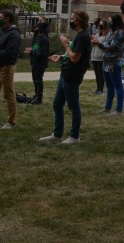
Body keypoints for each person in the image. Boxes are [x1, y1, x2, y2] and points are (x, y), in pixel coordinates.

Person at [39, 10, 92, 144]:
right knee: (57, 104)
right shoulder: (79, 35)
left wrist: (66, 44)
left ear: (79, 20)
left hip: (72, 75)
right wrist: (61, 56)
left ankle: (74, 136)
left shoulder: (83, 37)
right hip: (65, 73)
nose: (71, 20)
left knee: (73, 106)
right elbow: (72, 55)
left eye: (73, 18)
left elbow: (75, 58)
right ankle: (57, 134)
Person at [0, 9, 21, 129]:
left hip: (6, 68)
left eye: (0, 17)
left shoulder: (14, 34)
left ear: (7, 19)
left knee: (9, 95)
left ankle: (11, 122)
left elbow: (9, 53)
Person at [93, 13, 124, 116]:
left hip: (114, 63)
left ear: (115, 21)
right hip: (107, 63)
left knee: (118, 86)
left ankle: (118, 110)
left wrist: (98, 43)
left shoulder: (119, 33)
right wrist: (98, 42)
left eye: (110, 20)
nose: (109, 22)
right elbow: (107, 44)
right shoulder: (113, 33)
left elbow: (111, 47)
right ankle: (107, 107)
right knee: (109, 87)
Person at [26, 16, 50, 104]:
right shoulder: (36, 38)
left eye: (37, 27)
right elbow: (35, 49)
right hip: (34, 62)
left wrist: (33, 51)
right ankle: (36, 95)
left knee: (38, 80)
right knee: (35, 79)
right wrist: (31, 51)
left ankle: (39, 97)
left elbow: (43, 53)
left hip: (40, 63)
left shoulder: (44, 39)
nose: (35, 29)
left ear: (41, 29)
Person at [90, 19, 107, 95]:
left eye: (102, 24)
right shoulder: (97, 34)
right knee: (96, 73)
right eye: (99, 24)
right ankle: (98, 88)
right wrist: (93, 40)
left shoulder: (107, 35)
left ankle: (101, 89)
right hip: (94, 55)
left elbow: (104, 45)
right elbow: (94, 42)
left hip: (101, 56)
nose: (100, 25)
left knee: (100, 73)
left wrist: (97, 42)